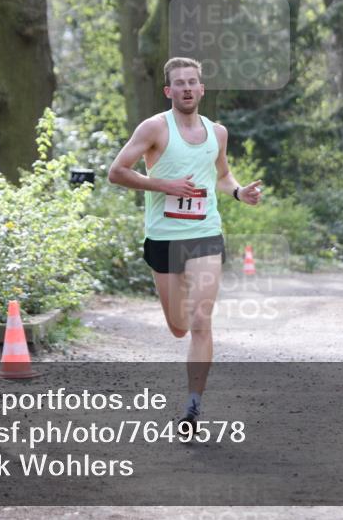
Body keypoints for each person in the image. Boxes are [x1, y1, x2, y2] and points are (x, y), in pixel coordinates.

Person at [108, 57, 262, 431]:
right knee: (178, 326)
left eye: (193, 82)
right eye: (180, 83)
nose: (187, 88)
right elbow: (117, 172)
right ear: (169, 90)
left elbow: (222, 175)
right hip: (163, 237)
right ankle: (190, 381)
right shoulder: (154, 128)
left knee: (200, 320)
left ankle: (193, 404)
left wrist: (238, 192)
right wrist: (164, 185)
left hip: (205, 234)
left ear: (202, 89)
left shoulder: (217, 133)